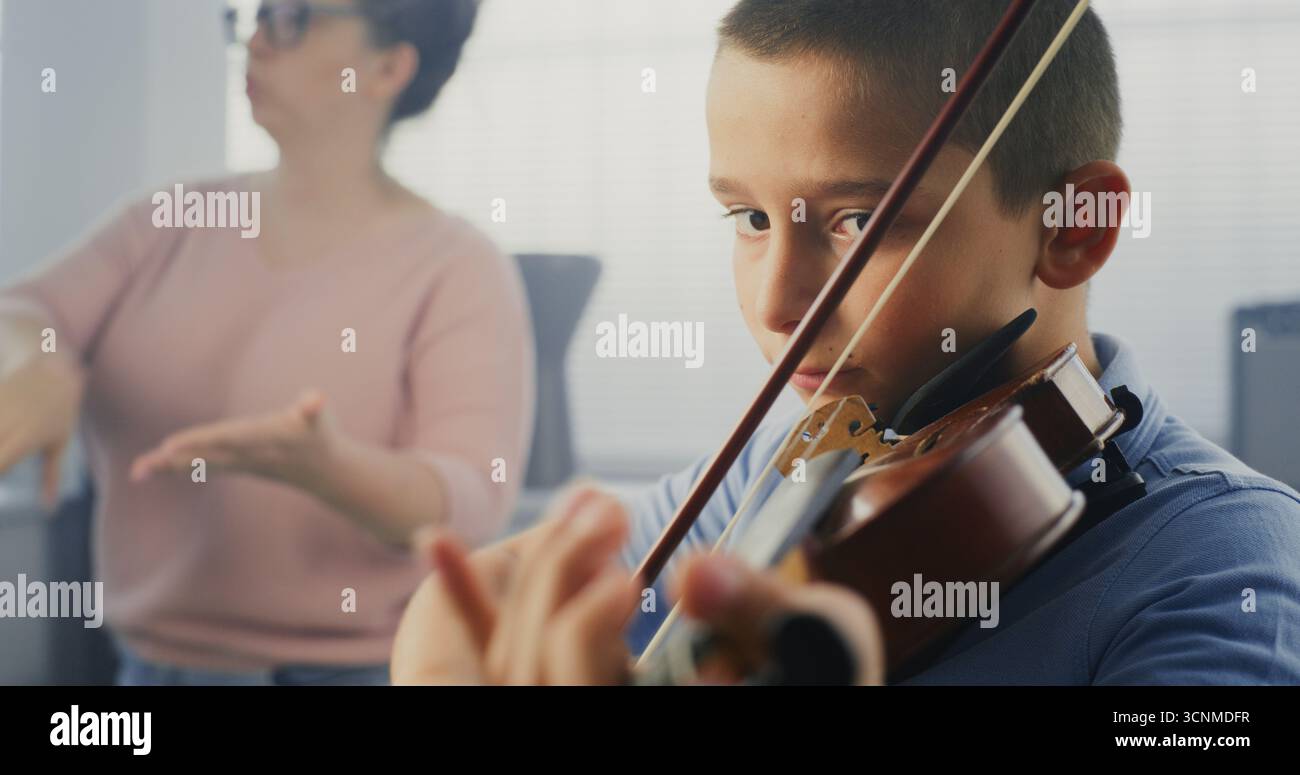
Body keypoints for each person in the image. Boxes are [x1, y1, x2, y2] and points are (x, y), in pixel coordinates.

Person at [392, 0, 1300, 686]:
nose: (778, 301)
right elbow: (500, 584)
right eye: (749, 216)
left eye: (860, 220)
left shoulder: (1225, 563)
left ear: (1075, 227)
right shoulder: (805, 461)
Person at [0, 0, 533, 685]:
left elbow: (470, 495)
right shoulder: (172, 219)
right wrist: (37, 358)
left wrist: (329, 468)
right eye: (254, 16)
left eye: (295, 18)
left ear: (387, 67)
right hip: (147, 673)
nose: (256, 42)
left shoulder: (457, 265)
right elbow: (24, 310)